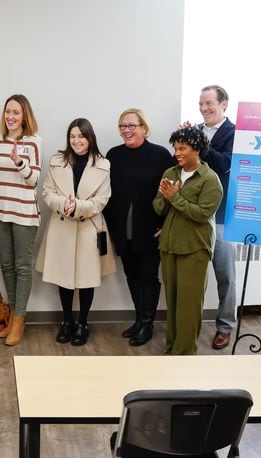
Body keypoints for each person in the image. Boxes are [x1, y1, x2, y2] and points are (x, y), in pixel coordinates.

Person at [36, 118, 116, 346]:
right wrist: (64, 205)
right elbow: (47, 192)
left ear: (90, 138)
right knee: (64, 278)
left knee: (86, 278)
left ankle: (83, 323)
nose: (76, 141)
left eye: (81, 136)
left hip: (89, 227)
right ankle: (67, 321)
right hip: (62, 226)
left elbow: (102, 200)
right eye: (72, 136)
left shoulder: (103, 165)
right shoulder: (57, 161)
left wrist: (78, 207)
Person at [104, 108, 175, 347]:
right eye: (123, 126)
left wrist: (166, 225)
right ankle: (139, 319)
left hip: (151, 229)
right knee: (132, 276)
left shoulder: (161, 155)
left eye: (132, 126)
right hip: (123, 230)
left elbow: (173, 193)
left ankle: (148, 323)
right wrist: (111, 229)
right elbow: (108, 195)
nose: (127, 130)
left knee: (148, 277)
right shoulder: (113, 155)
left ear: (144, 128)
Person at [0, 94, 42, 346]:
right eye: (8, 112)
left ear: (25, 115)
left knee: (22, 267)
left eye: (16, 112)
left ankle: (19, 319)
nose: (11, 116)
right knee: (7, 266)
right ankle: (12, 316)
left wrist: (17, 160)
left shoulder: (34, 142)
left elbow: (33, 180)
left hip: (24, 212)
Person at [154, 126, 222, 355]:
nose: (177, 153)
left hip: (195, 249)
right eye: (175, 148)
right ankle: (172, 347)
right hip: (169, 247)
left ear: (197, 149)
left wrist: (175, 197)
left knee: (189, 307)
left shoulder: (210, 180)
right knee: (172, 303)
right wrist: (165, 199)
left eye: (182, 148)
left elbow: (202, 214)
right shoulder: (170, 173)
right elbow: (158, 208)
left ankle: (184, 355)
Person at [181, 85, 237, 350]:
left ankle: (225, 327)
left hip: (223, 216)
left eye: (209, 103)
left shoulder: (234, 132)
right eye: (201, 104)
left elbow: (224, 164)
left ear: (224, 103)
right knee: (194, 276)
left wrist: (198, 143)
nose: (204, 109)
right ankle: (190, 326)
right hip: (195, 215)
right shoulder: (197, 133)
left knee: (225, 275)